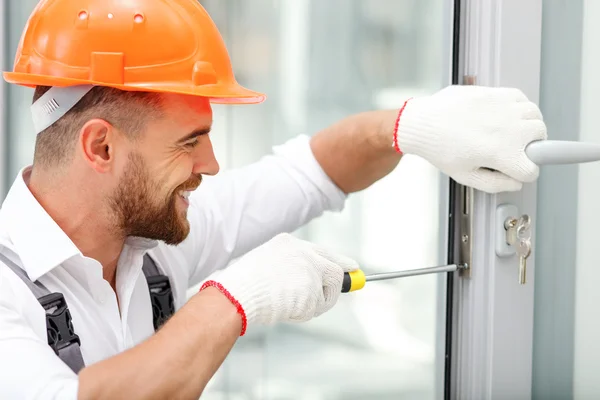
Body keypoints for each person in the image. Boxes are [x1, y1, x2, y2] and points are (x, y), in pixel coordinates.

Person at [0, 0, 547, 399]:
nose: (210, 164)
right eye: (189, 142)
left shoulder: (151, 244)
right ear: (100, 146)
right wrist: (231, 300)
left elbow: (309, 172)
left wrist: (408, 127)